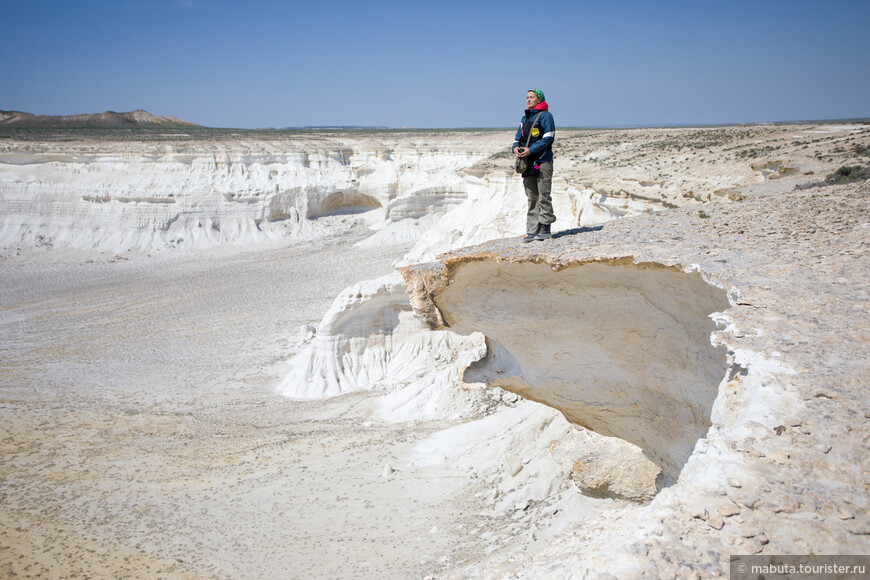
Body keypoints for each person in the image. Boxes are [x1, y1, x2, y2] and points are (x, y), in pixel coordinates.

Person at [512, 89, 556, 242]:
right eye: (527, 97)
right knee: (531, 195)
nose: (528, 100)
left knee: (543, 194)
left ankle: (545, 228)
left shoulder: (545, 116)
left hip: (541, 162)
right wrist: (515, 148)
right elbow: (518, 137)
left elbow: (548, 138)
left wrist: (531, 150)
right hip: (528, 163)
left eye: (532, 97)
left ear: (539, 99)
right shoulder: (525, 117)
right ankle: (532, 230)